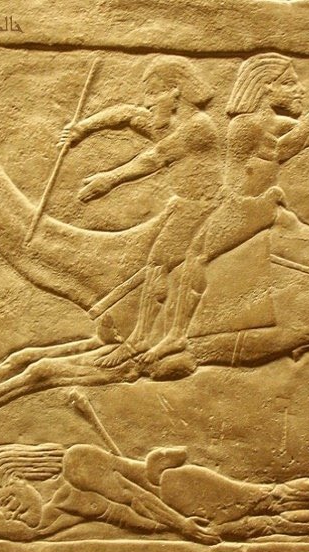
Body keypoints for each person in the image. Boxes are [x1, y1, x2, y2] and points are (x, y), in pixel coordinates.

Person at [139, 52, 309, 364]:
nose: (299, 90)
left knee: (195, 254)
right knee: (190, 252)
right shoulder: (244, 125)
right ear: (265, 88)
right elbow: (281, 149)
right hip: (248, 203)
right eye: (289, 84)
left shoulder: (270, 123)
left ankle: (176, 336)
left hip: (249, 206)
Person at [0, 442, 309, 549]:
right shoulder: (62, 506)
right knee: (272, 526)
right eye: (2, 508)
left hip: (180, 493)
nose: (11, 511)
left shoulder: (78, 463)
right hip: (180, 522)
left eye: (8, 500)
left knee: (273, 500)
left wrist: (183, 526)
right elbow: (30, 534)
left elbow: (136, 499)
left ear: (23, 475)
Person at [60, 55, 223, 367]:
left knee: (159, 261)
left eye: (153, 93)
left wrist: (109, 179)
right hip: (184, 204)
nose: (146, 102)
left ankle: (144, 339)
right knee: (157, 259)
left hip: (203, 206)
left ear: (175, 92)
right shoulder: (169, 124)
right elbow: (127, 115)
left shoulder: (198, 127)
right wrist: (82, 128)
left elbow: (154, 159)